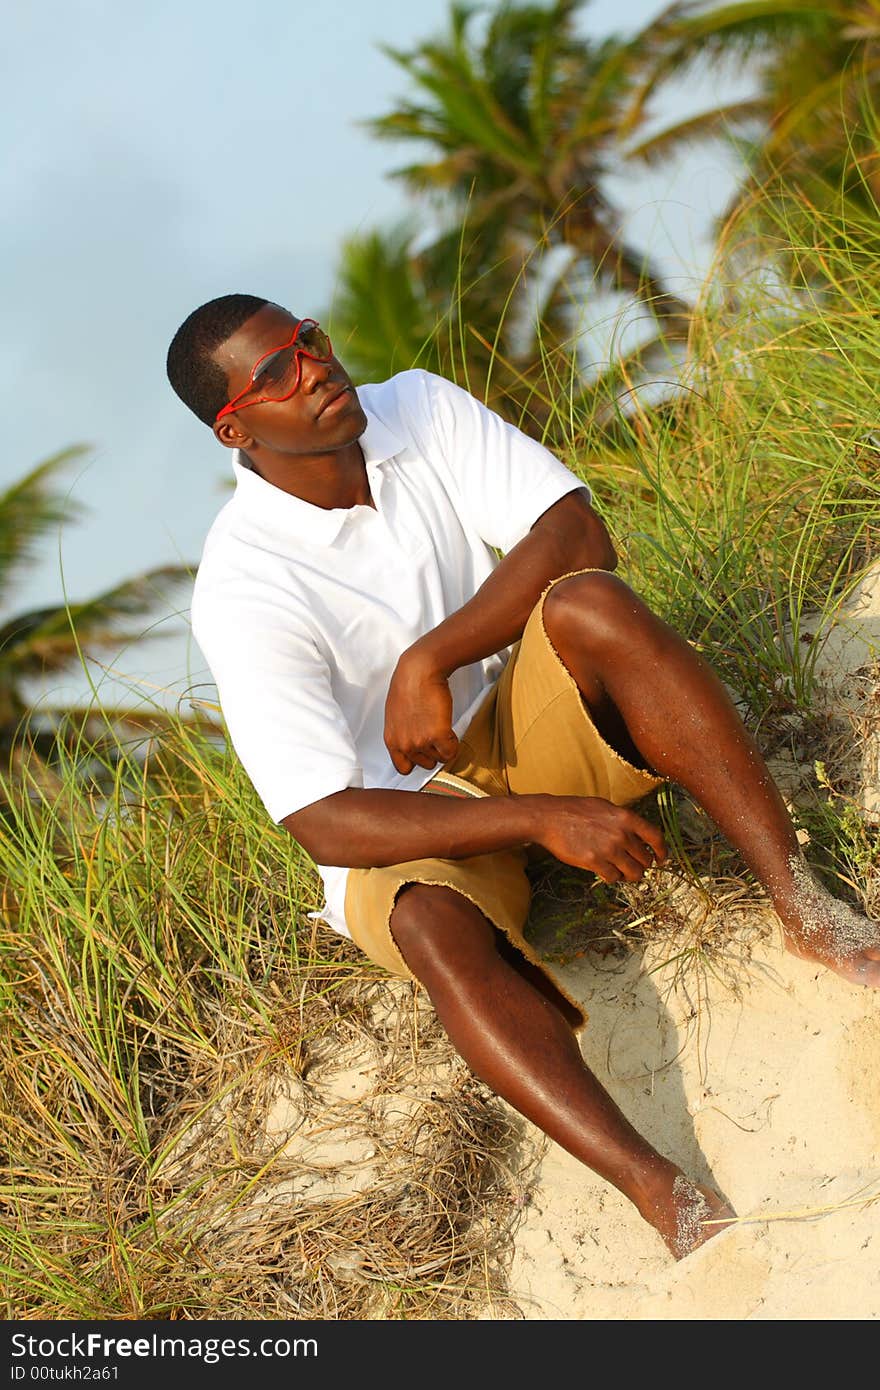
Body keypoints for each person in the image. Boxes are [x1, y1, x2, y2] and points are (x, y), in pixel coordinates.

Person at [167, 293, 880, 1260]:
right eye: (279, 372)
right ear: (234, 427)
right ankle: (663, 1194)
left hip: (505, 725)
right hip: (405, 820)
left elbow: (578, 536)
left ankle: (808, 910)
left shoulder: (412, 406)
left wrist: (433, 658)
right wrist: (545, 817)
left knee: (593, 605)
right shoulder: (245, 585)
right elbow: (325, 823)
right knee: (425, 921)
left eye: (312, 338)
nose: (318, 366)